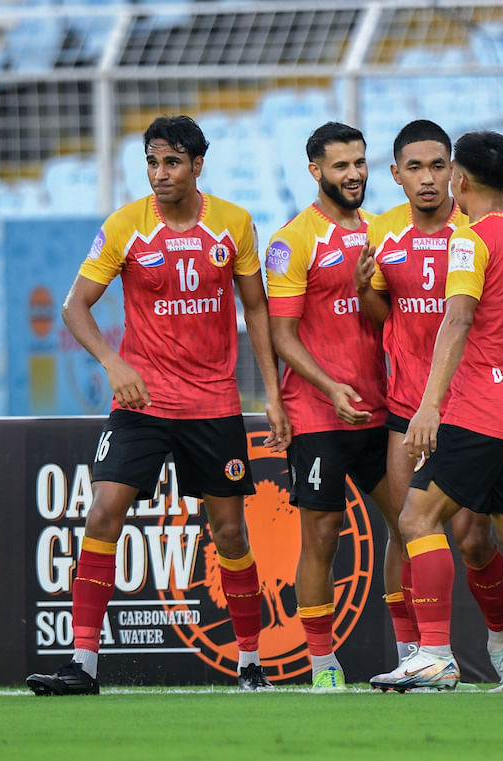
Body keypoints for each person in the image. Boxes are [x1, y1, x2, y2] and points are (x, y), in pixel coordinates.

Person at [26, 115, 290, 695]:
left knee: (230, 535)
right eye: (151, 162)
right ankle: (84, 666)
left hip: (214, 406)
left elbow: (258, 312)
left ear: (197, 165)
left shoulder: (234, 225)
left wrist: (272, 394)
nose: (160, 173)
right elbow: (75, 307)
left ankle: (250, 666)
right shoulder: (125, 226)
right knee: (102, 512)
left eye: (172, 162)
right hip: (142, 402)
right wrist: (116, 366)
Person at [370, 130, 503, 693]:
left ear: (459, 180)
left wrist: (429, 406)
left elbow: (456, 321)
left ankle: (433, 653)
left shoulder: (469, 240)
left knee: (416, 520)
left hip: (478, 408)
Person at [264, 122, 404, 691]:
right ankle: (322, 666)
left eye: (361, 163)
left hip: (381, 408)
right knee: (321, 538)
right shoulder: (291, 240)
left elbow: (392, 319)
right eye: (341, 166)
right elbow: (283, 336)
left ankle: (415, 651)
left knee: (411, 525)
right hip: (320, 415)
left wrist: (370, 289)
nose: (354, 174)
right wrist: (329, 387)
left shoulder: (382, 231)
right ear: (315, 171)